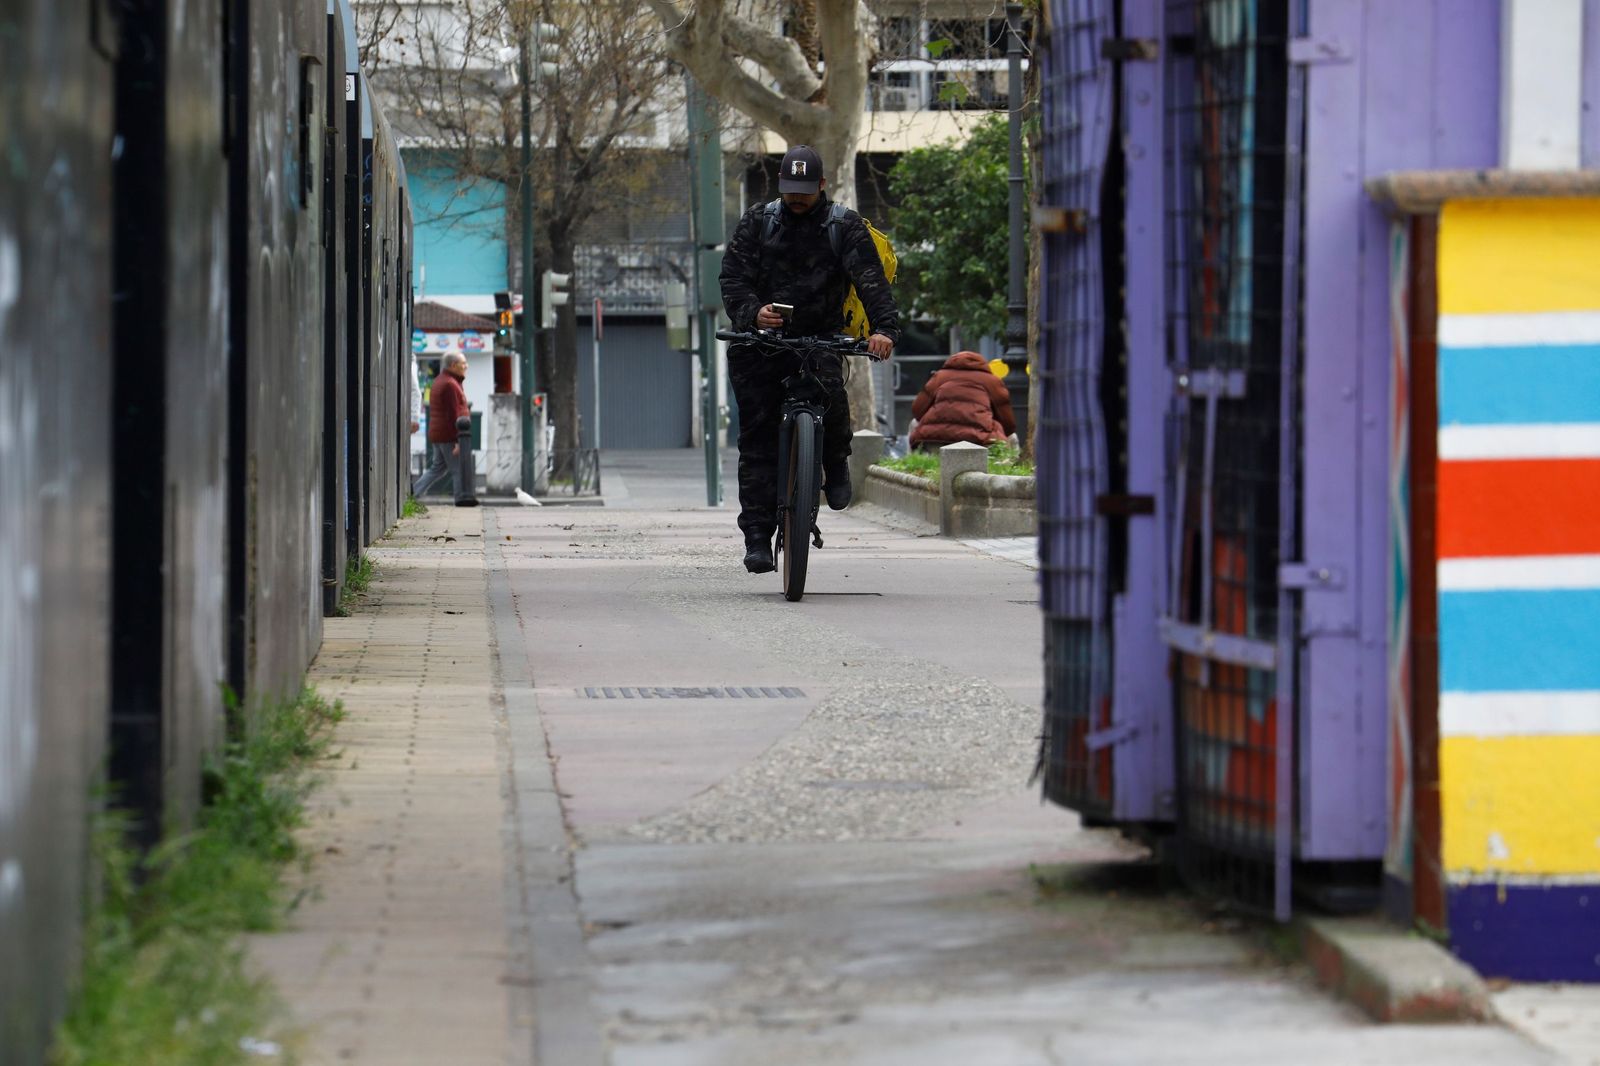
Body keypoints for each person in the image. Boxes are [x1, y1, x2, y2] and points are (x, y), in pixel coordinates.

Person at [719, 144, 901, 574]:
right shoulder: (758, 222)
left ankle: (835, 463)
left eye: (805, 190)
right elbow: (732, 277)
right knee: (758, 442)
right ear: (780, 186)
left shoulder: (844, 226)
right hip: (759, 343)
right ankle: (758, 538)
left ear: (821, 185)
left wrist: (884, 330)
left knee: (833, 396)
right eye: (790, 190)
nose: (797, 198)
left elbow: (871, 282)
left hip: (820, 338)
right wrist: (752, 312)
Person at [909, 352, 1017, 451]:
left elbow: (917, 411)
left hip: (935, 438)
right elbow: (1008, 424)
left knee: (914, 423)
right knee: (1012, 437)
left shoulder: (940, 376)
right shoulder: (992, 381)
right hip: (980, 441)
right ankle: (1009, 468)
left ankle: (912, 463)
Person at [413, 353, 470, 498]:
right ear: (453, 365)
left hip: (439, 433)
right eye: (463, 363)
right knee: (458, 470)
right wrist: (458, 440)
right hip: (448, 435)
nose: (466, 366)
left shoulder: (440, 381)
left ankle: (413, 493)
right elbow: (453, 414)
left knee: (437, 468)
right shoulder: (450, 384)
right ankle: (461, 500)